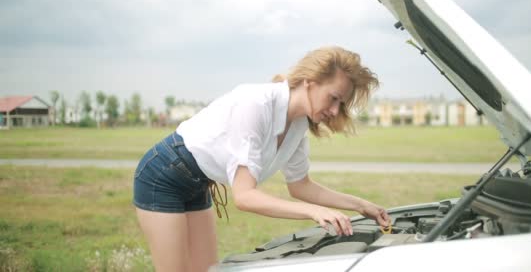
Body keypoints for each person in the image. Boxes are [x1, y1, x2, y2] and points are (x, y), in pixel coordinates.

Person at [133, 46, 391, 271]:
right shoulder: (255, 104)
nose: (335, 111)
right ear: (309, 82)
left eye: (341, 103)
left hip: (197, 182)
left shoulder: (300, 124)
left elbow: (300, 186)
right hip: (163, 175)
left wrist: (360, 205)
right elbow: (244, 197)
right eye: (333, 98)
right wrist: (314, 212)